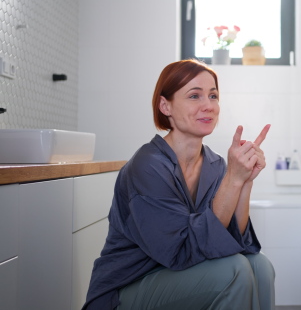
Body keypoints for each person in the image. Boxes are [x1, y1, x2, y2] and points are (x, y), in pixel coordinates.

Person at [83, 59, 275, 310]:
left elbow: (231, 238)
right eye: (194, 96)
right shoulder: (148, 166)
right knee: (234, 271)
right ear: (166, 106)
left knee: (260, 266)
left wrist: (244, 182)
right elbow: (180, 250)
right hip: (127, 287)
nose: (208, 106)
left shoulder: (215, 165)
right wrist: (233, 178)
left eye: (213, 96)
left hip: (179, 276)